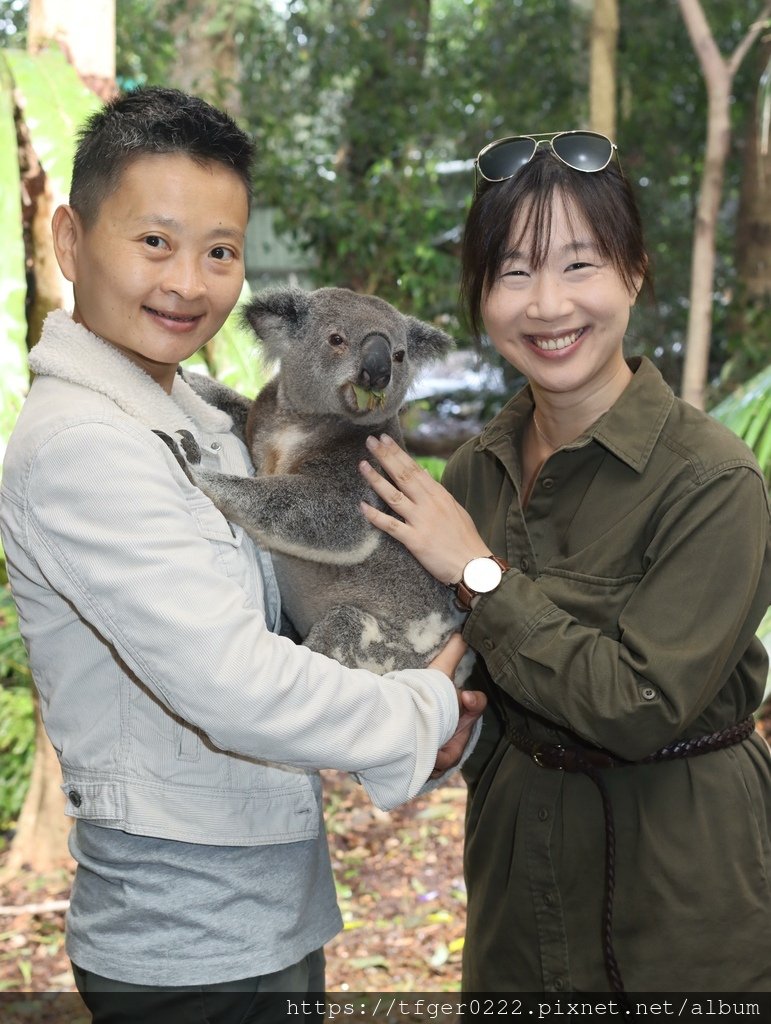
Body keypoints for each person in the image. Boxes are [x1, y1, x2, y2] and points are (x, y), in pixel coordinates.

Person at [0, 87, 486, 1021]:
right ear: (68, 241)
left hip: (266, 911)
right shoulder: (84, 448)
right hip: (186, 944)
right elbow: (230, 683)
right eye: (154, 242)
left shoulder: (188, 414)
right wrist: (421, 707)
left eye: (219, 252)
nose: (188, 281)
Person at [359, 130, 771, 994]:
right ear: (480, 295)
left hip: (676, 894)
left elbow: (639, 703)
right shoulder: (473, 472)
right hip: (517, 884)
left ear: (634, 271)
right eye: (513, 272)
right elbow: (478, 676)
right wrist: (445, 733)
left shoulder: (714, 481)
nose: (546, 306)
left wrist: (479, 575)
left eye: (578, 265)